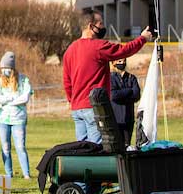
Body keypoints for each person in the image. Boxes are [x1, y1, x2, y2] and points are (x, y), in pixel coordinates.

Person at [62, 11, 153, 143]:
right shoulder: (98, 46)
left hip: (77, 109)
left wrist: (73, 101)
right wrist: (142, 38)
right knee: (96, 150)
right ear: (90, 26)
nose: (103, 27)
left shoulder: (70, 50)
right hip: (94, 107)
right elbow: (124, 50)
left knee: (82, 150)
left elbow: (67, 82)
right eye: (101, 24)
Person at [0, 51, 33, 181]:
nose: (5, 71)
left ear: (12, 68)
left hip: (18, 119)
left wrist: (9, 101)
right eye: (3, 68)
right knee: (5, 147)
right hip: (3, 119)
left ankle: (26, 174)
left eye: (7, 68)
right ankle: (8, 174)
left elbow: (25, 97)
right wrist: (12, 98)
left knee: (20, 146)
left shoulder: (23, 80)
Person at [109, 57, 141, 146]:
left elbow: (136, 95)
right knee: (116, 146)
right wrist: (129, 91)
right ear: (113, 62)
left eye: (124, 61)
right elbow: (113, 95)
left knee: (127, 145)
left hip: (128, 119)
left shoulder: (131, 78)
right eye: (119, 61)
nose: (122, 63)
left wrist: (122, 94)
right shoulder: (110, 78)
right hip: (115, 119)